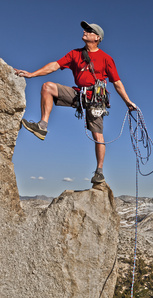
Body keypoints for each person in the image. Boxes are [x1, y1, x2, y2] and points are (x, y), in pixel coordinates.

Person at [15, 21, 136, 184]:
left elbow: (117, 82)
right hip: (79, 94)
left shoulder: (106, 58)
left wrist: (128, 101)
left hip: (96, 98)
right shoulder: (75, 54)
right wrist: (31, 74)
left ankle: (99, 172)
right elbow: (54, 66)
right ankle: (42, 126)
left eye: (89, 30)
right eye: (85, 29)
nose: (85, 31)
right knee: (47, 87)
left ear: (97, 37)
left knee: (97, 135)